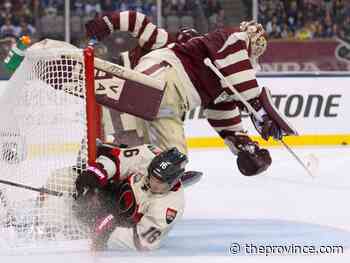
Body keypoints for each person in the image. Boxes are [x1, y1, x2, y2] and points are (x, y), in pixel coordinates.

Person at [85, 11, 297, 177]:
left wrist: (244, 144)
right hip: (156, 86)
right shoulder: (228, 40)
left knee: (143, 153)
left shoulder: (215, 69)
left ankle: (111, 181)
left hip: (143, 97)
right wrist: (260, 110)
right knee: (168, 160)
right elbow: (241, 74)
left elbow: (222, 108)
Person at [73, 143, 188, 251]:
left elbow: (141, 242)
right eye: (152, 177)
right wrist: (97, 173)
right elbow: (117, 159)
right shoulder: (148, 155)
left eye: (160, 182)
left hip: (118, 223)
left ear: (173, 181)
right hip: (106, 194)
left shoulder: (168, 209)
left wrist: (107, 233)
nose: (153, 184)